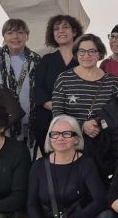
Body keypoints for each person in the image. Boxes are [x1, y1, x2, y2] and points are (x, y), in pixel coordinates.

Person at [23, 115, 109, 218]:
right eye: (55, 134)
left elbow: (101, 200)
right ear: (49, 138)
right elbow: (32, 202)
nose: (60, 138)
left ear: (76, 138)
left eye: (67, 134)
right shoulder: (39, 166)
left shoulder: (87, 164)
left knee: (107, 217)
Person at [51, 33, 118, 176]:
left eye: (92, 51)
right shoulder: (64, 79)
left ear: (99, 54)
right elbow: (57, 115)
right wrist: (82, 125)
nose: (86, 55)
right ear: (76, 53)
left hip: (103, 148)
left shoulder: (111, 81)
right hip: (72, 146)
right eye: (82, 51)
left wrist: (98, 122)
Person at [31, 14, 82, 157]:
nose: (61, 31)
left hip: (78, 119)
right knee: (51, 161)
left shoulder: (83, 59)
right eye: (56, 29)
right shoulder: (46, 60)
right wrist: (53, 106)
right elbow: (38, 88)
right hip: (48, 119)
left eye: (65, 27)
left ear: (74, 32)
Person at [0, 18, 40, 149]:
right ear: (4, 36)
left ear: (27, 36)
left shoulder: (38, 60)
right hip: (4, 121)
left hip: (30, 121)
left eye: (20, 32)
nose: (15, 37)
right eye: (10, 33)